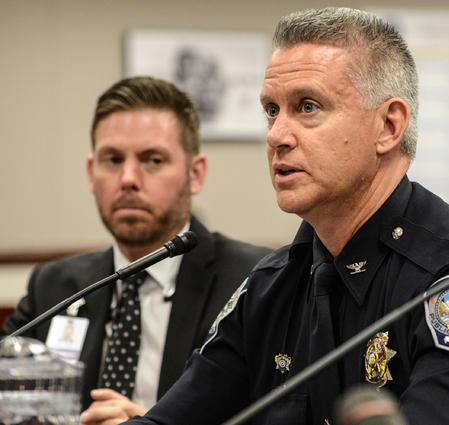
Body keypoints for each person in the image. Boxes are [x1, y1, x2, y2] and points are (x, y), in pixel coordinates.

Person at [124, 8, 449, 425]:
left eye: (307, 107)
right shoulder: (272, 284)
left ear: (388, 127)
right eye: (272, 110)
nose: (277, 135)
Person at [1, 77, 273, 423]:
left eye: (153, 160)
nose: (128, 179)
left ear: (195, 174)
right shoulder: (53, 286)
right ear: (91, 173)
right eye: (113, 160)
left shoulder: (253, 280)